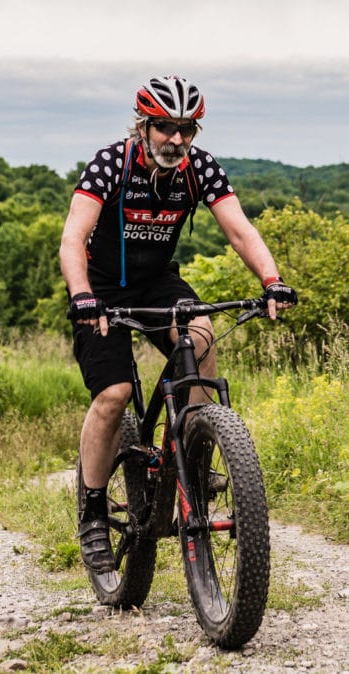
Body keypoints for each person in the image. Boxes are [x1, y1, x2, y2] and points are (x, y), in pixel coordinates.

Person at [58, 75, 297, 573]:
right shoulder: (111, 164)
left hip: (156, 282)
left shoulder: (199, 169)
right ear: (144, 126)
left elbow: (239, 229)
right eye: (166, 128)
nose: (177, 140)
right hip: (99, 288)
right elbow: (73, 236)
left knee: (203, 333)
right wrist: (82, 297)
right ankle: (94, 510)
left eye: (187, 129)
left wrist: (272, 279)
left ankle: (191, 447)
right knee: (114, 393)